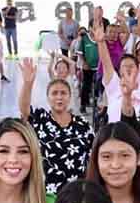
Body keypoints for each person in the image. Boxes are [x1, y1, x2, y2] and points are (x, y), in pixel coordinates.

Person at [16, 57, 93, 195]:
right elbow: (24, 109)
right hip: (44, 193)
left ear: (69, 97)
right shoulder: (40, 118)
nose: (59, 97)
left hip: (75, 194)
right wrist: (27, 84)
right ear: (48, 97)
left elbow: (92, 158)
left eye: (63, 93)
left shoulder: (83, 124)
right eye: (54, 93)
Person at [94, 23, 140, 124]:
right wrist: (101, 43)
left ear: (138, 70)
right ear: (119, 71)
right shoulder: (114, 84)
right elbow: (106, 63)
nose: (128, 69)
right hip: (116, 130)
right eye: (124, 66)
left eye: (131, 66)